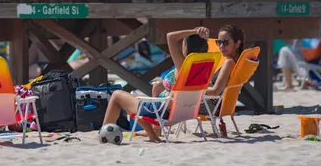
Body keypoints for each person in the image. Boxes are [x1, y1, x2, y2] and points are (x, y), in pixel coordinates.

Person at [101, 24, 244, 142]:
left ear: (186, 47)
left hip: (165, 112)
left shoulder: (183, 65)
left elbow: (170, 37)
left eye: (183, 44)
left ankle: (103, 135)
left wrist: (193, 31)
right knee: (138, 99)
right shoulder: (206, 64)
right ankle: (153, 135)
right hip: (185, 112)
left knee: (117, 95)